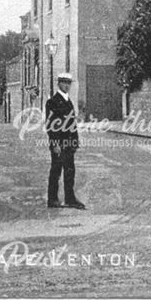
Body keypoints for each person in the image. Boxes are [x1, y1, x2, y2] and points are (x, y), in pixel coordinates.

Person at [45, 72, 85, 209]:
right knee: (56, 171)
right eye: (64, 83)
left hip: (69, 143)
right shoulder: (52, 102)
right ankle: (52, 199)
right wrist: (55, 143)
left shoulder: (69, 101)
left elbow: (72, 124)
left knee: (69, 171)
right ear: (59, 83)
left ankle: (70, 198)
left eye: (69, 83)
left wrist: (75, 141)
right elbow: (50, 124)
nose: (67, 86)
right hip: (59, 143)